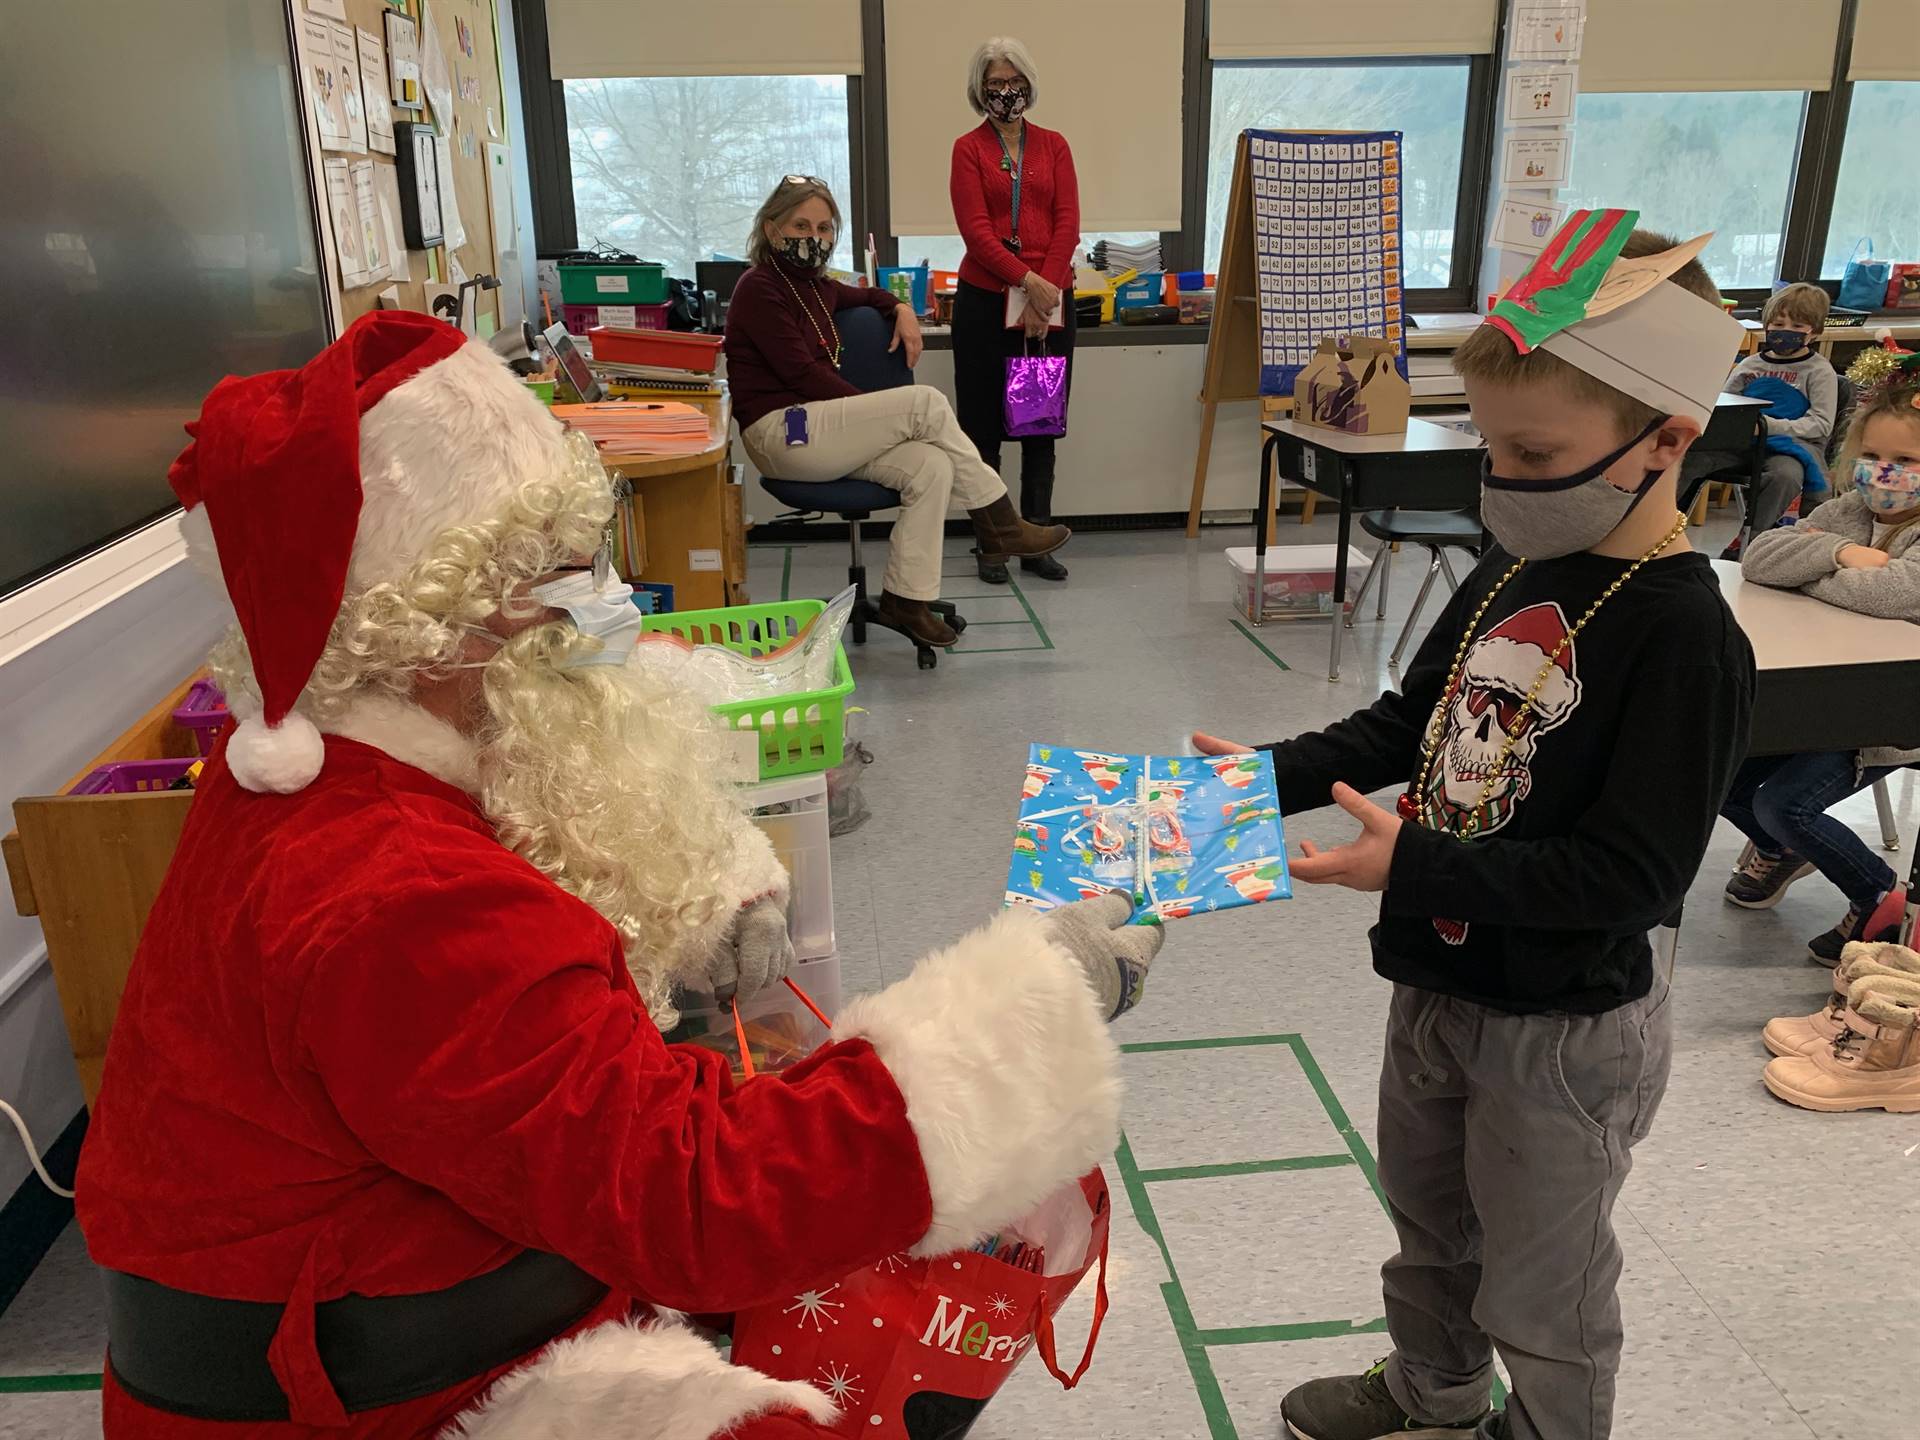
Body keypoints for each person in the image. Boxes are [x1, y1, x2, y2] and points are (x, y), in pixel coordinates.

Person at [75, 311, 1164, 1439]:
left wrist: (711, 888)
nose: (608, 606)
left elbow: (529, 966)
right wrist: (1031, 1009)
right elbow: (703, 1203)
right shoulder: (398, 896)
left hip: (392, 1317)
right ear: (446, 624)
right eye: (562, 571)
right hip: (387, 1400)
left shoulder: (334, 773)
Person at [1194, 214, 1757, 1440]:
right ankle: (1437, 1389)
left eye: (1533, 451)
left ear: (1668, 438)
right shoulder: (1516, 564)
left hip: (1568, 1021)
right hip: (1440, 980)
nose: (1499, 480)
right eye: (1490, 447)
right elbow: (1407, 724)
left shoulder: (1686, 637)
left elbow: (1636, 876)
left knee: (1546, 1285)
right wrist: (1263, 776)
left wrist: (1418, 862)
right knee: (1431, 1228)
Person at [724, 176, 1067, 648]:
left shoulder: (817, 287)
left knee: (931, 464)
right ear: (772, 229)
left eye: (825, 228)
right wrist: (878, 416)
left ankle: (907, 601)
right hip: (782, 434)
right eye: (800, 225)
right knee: (924, 403)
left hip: (822, 434)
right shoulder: (760, 287)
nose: (814, 237)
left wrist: (902, 306)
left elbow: (868, 296)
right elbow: (803, 375)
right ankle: (1001, 524)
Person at [1721, 359, 1920, 964]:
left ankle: (1881, 897)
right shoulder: (1847, 512)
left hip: (1886, 714)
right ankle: (1782, 851)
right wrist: (1841, 552)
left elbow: (1899, 594)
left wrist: (1812, 569)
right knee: (1723, 769)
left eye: (1907, 462)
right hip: (1819, 690)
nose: (1884, 472)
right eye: (1875, 454)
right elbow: (1761, 558)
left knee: (1783, 803)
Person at [947, 36, 1080, 586]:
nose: (1006, 91)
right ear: (981, 91)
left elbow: (1068, 220)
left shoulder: (1054, 146)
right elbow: (977, 233)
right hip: (985, 304)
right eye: (996, 83)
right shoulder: (968, 149)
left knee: (1039, 428)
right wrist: (1026, 281)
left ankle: (1037, 538)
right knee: (983, 433)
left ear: (1029, 84)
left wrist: (1042, 292)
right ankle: (992, 544)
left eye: (1015, 81)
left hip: (1047, 305)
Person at [1682, 282, 1840, 557]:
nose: (1785, 331)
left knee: (1786, 476)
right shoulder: (1750, 365)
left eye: (1798, 326)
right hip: (1740, 444)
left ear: (1813, 333)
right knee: (1688, 461)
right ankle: (1663, 528)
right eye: (1778, 323)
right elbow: (1723, 404)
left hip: (1787, 446)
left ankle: (1752, 541)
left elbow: (1821, 424)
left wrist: (1767, 426)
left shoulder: (1818, 371)